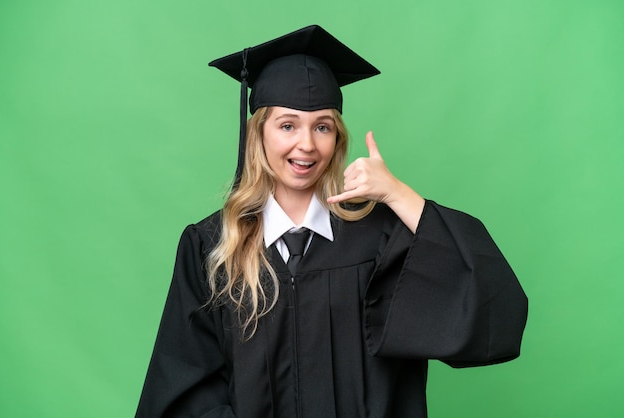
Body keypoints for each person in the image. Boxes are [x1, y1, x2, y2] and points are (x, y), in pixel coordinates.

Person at [136, 25, 528, 418]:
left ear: (337, 139)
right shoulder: (212, 246)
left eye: (322, 126)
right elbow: (181, 395)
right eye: (287, 125)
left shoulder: (380, 239)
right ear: (258, 135)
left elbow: (490, 305)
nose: (306, 144)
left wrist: (398, 195)